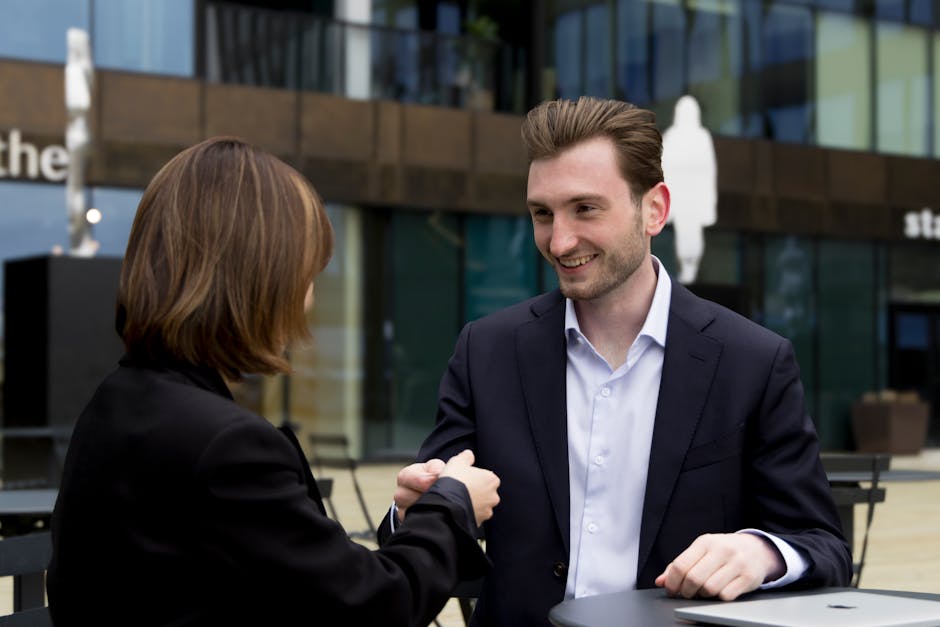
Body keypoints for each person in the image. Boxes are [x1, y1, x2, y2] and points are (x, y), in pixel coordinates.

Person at [383, 97, 852, 626]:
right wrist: (408, 511)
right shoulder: (486, 350)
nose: (560, 241)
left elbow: (824, 546)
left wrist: (761, 554)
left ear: (654, 208)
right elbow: (438, 511)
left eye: (585, 208)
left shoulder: (753, 361)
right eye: (543, 214)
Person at [48, 137, 500, 627]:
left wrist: (417, 519)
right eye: (306, 275)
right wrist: (452, 506)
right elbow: (373, 607)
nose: (307, 300)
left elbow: (298, 576)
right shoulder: (225, 446)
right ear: (262, 278)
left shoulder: (119, 401)